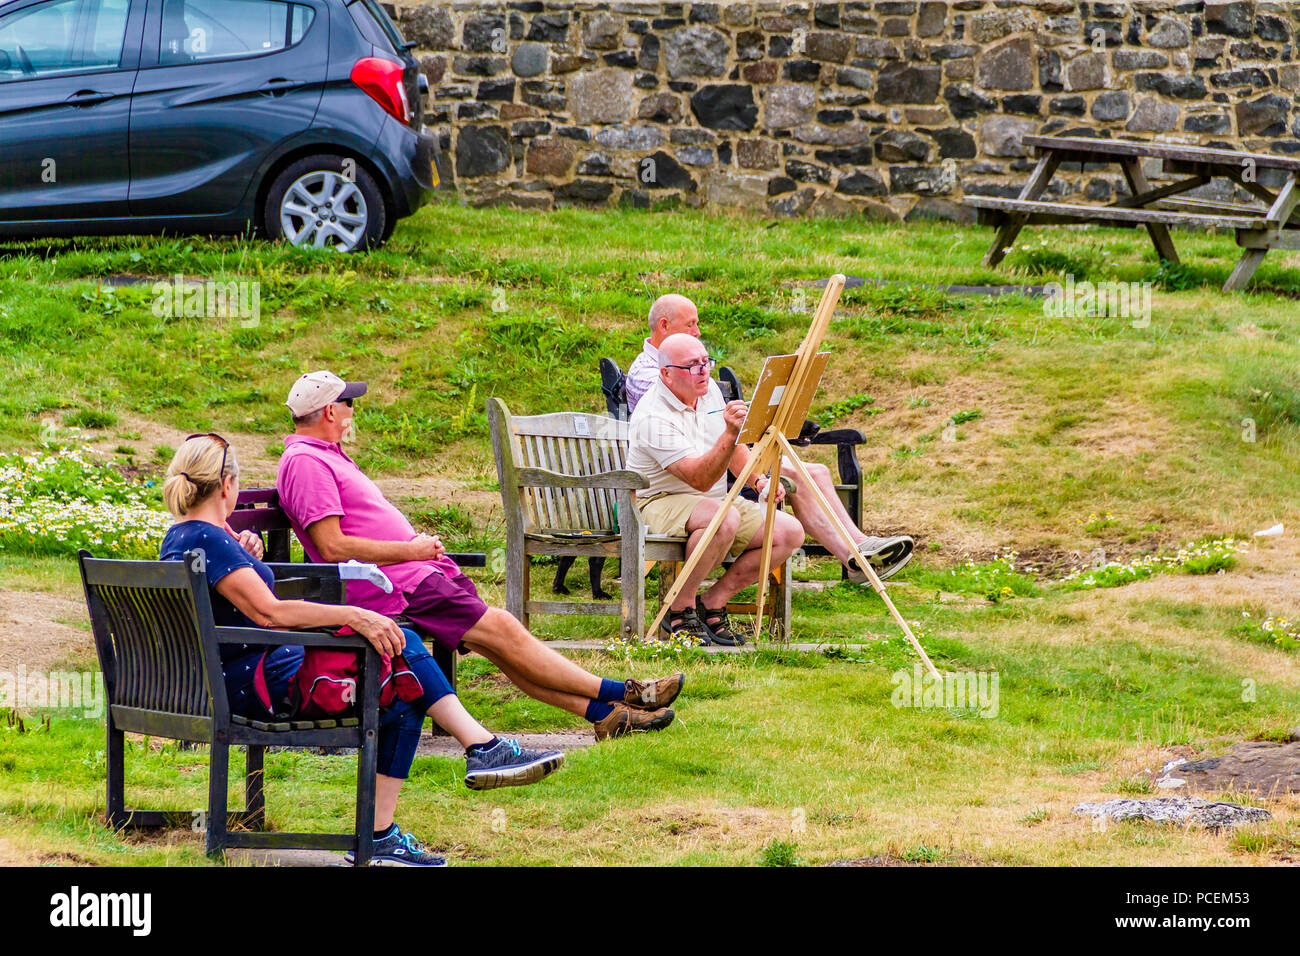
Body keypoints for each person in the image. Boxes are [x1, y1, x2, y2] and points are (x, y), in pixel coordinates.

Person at [159, 433, 565, 867]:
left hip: (220, 683)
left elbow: (240, 602)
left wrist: (244, 550)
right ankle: (471, 757)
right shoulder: (211, 542)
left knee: (402, 680)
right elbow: (271, 614)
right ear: (227, 486)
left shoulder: (184, 539)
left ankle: (431, 792)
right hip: (257, 688)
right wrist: (351, 614)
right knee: (400, 658)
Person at [274, 371, 685, 742]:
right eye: (348, 404)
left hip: (409, 576)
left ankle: (607, 715)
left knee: (500, 643)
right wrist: (411, 549)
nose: (351, 412)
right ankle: (627, 692)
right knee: (503, 630)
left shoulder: (322, 455)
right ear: (330, 410)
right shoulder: (306, 462)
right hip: (393, 586)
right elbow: (332, 546)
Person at [627, 294, 914, 585]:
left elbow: (716, 428)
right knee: (795, 473)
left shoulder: (696, 374)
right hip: (684, 472)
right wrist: (740, 434)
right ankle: (856, 556)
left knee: (813, 472)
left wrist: (761, 449)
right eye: (691, 324)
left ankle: (859, 551)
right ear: (664, 326)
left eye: (705, 362)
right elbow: (691, 438)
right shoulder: (652, 376)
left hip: (716, 461)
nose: (698, 332)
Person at [626, 334, 806, 646]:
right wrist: (730, 432)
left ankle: (712, 602)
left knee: (789, 532)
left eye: (705, 362)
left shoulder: (707, 393)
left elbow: (732, 448)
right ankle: (679, 609)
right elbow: (699, 479)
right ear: (666, 373)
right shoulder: (652, 416)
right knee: (722, 519)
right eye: (691, 366)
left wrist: (759, 481)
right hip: (655, 501)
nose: (703, 371)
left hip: (708, 503)